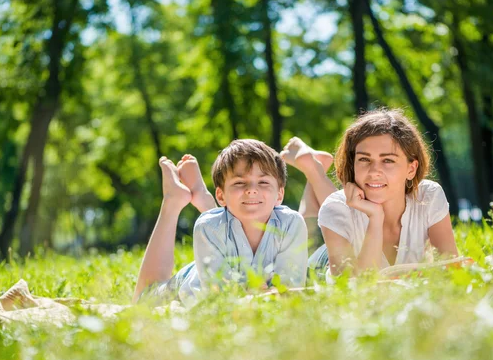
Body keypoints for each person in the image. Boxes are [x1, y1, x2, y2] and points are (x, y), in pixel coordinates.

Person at [279, 108, 459, 280]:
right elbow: (357, 287)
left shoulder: (428, 196)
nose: (374, 171)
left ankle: (314, 168)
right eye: (364, 159)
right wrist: (375, 218)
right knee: (309, 231)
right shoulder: (335, 206)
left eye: (388, 160)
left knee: (341, 207)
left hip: (345, 226)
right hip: (323, 265)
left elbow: (451, 266)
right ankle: (313, 169)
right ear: (353, 164)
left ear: (411, 169)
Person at [133, 139, 308, 305]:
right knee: (143, 300)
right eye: (239, 183)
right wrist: (260, 292)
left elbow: (290, 287)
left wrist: (253, 292)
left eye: (263, 182)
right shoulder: (208, 226)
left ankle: (201, 196)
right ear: (221, 195)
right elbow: (218, 294)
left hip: (219, 254)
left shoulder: (291, 223)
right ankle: (173, 199)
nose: (252, 190)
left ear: (279, 195)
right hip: (190, 283)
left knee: (219, 224)